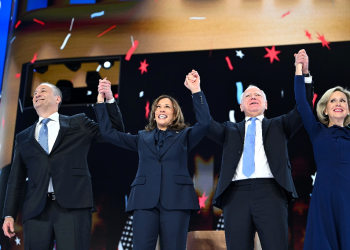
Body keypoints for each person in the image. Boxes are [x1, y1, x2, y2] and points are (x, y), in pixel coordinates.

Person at [205, 50, 314, 250]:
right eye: (248, 95)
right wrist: (196, 92)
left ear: (266, 104)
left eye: (258, 95)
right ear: (241, 105)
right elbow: (205, 122)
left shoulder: (280, 124)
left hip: (271, 192)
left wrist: (304, 74)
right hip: (235, 195)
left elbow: (303, 107)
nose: (253, 97)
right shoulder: (229, 130)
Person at [2, 78, 124, 250]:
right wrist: (9, 214)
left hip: (74, 207)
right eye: (35, 93)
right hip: (36, 210)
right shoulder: (23, 137)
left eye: (43, 91)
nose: (37, 94)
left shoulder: (78, 123)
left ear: (57, 99)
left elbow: (114, 132)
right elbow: (16, 179)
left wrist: (107, 100)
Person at [94, 70, 210, 250]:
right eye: (158, 106)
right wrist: (105, 100)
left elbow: (204, 124)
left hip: (176, 201)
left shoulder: (185, 136)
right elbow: (109, 134)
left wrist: (196, 91)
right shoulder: (141, 138)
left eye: (167, 107)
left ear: (174, 115)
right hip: (144, 201)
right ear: (154, 113)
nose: (161, 109)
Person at [294, 60, 350, 249]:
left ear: (348, 109)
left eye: (343, 100)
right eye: (333, 100)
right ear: (325, 109)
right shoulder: (317, 131)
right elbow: (302, 103)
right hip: (324, 197)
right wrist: (301, 72)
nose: (338, 103)